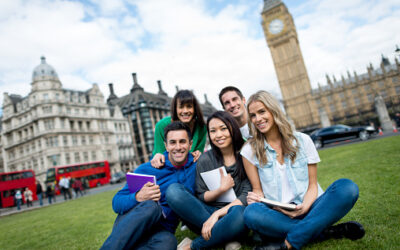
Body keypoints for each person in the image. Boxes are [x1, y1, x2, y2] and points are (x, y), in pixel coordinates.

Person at [241, 91, 365, 250]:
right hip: (279, 214)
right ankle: (325, 231)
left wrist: (305, 207)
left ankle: (287, 244)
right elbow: (258, 190)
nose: (258, 119)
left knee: (347, 188)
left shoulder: (303, 140)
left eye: (262, 112)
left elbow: (313, 185)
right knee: (251, 212)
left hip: (311, 206)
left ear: (273, 110)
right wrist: (255, 198)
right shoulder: (249, 151)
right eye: (252, 115)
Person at [101, 122, 197, 250]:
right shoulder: (148, 168)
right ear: (166, 146)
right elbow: (116, 202)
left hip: (160, 233)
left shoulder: (197, 166)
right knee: (152, 206)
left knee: (169, 242)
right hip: (134, 224)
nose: (178, 147)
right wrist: (137, 197)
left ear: (190, 144)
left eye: (182, 142)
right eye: (173, 142)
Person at [167, 111, 251, 250]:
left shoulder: (246, 154)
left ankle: (193, 246)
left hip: (235, 214)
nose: (218, 135)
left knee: (241, 213)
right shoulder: (205, 159)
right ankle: (227, 236)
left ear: (232, 128)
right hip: (205, 215)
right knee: (173, 191)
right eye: (213, 131)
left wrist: (217, 215)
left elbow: (246, 196)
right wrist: (221, 190)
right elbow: (201, 195)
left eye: (223, 129)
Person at [151, 90, 207, 168]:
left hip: (190, 167)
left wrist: (198, 153)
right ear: (175, 109)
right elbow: (159, 154)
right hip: (167, 167)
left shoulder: (201, 127)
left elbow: (198, 152)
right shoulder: (161, 125)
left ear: (195, 108)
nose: (185, 111)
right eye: (181, 107)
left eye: (189, 106)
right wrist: (158, 156)